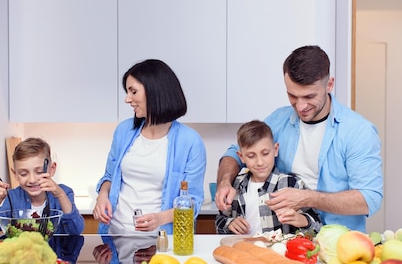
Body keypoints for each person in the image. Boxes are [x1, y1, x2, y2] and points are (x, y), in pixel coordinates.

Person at [215, 45, 383, 233]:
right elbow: (234, 153)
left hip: (338, 242)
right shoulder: (279, 120)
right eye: (292, 96)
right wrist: (225, 182)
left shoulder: (358, 131)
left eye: (309, 96)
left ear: (329, 85)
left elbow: (370, 199)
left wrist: (307, 198)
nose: (301, 106)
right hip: (286, 242)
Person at [93, 59, 206, 235]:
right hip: (116, 235)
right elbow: (109, 176)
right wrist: (102, 196)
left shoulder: (190, 141)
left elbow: (193, 202)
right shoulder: (124, 130)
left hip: (161, 241)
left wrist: (161, 218)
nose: (127, 99)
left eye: (133, 91)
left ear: (155, 92)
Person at [215, 120, 322, 235]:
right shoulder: (235, 185)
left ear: (275, 150)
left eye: (265, 153)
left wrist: (302, 220)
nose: (260, 162)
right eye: (251, 156)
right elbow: (219, 221)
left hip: (278, 252)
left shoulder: (291, 184)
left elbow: (318, 227)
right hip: (243, 250)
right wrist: (230, 223)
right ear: (241, 157)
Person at [0, 137, 85, 237]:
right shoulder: (13, 197)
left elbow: (75, 230)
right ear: (15, 173)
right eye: (23, 174)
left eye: (39, 172)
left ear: (52, 169)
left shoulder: (64, 193)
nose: (32, 180)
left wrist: (60, 195)